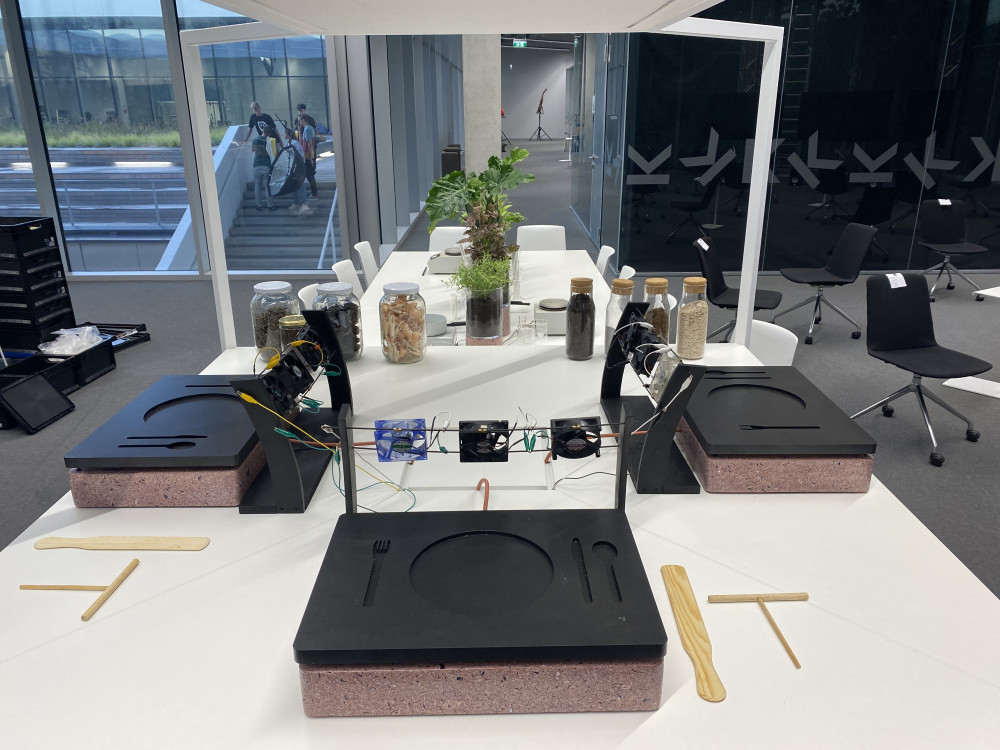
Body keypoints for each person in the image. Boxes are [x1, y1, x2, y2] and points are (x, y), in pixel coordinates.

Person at [285, 126, 312, 215]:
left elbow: (298, 155)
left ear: (288, 134)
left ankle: (304, 203)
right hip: (292, 167)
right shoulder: (290, 143)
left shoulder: (294, 143)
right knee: (294, 185)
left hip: (298, 167)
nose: (284, 135)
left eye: (284, 133)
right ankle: (296, 202)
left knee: (300, 185)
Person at [252, 125, 277, 211]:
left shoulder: (255, 140)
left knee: (257, 185)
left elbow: (253, 149)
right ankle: (270, 205)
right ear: (269, 133)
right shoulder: (270, 140)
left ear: (262, 130)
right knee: (267, 186)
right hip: (267, 165)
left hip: (256, 165)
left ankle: (258, 204)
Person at [298, 113, 318, 200]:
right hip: (307, 154)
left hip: (308, 154)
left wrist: (310, 158)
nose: (299, 122)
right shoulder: (308, 128)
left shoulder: (307, 129)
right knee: (309, 174)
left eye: (300, 120)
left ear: (303, 120)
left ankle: (314, 194)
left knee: (310, 175)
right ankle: (313, 193)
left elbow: (309, 144)